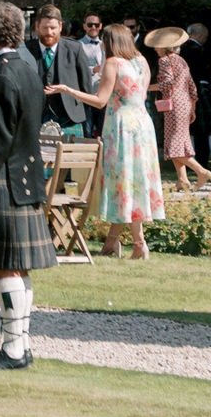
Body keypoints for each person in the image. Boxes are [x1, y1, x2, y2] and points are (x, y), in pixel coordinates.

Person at [0, 0, 54, 373]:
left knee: (6, 265)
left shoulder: (1, 75)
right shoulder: (27, 67)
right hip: (27, 173)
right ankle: (20, 344)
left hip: (4, 175)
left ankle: (14, 350)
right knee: (18, 268)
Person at [49, 24, 164, 257]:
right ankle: (113, 242)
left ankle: (140, 243)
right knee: (135, 181)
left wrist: (67, 90)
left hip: (121, 125)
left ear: (110, 42)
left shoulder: (113, 63)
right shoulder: (141, 60)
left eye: (104, 40)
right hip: (142, 123)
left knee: (123, 181)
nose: (101, 43)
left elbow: (100, 100)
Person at [147, 27, 211, 191]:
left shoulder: (164, 61)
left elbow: (167, 83)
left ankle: (201, 171)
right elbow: (192, 87)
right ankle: (182, 179)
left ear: (163, 47)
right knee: (179, 142)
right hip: (184, 104)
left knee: (174, 143)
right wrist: (192, 108)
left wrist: (147, 87)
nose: (155, 48)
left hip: (174, 105)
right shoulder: (181, 60)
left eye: (157, 45)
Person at [25, 4, 94, 138]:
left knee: (71, 159)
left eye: (53, 28)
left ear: (60, 27)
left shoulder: (75, 49)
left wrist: (81, 115)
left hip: (70, 119)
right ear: (37, 26)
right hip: (35, 118)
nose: (49, 32)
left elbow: (86, 88)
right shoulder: (26, 50)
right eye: (45, 28)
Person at [180, 21, 211, 165]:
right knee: (202, 129)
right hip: (199, 90)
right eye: (205, 36)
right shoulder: (197, 50)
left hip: (184, 91)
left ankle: (189, 160)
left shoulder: (181, 49)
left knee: (189, 128)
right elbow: (202, 70)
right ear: (199, 35)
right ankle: (201, 161)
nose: (206, 39)